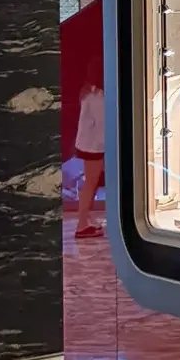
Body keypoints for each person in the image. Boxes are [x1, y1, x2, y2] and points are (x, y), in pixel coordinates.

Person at [74, 70, 106, 240]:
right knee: (90, 184)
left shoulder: (89, 92)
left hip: (89, 143)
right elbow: (102, 123)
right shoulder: (98, 97)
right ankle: (82, 225)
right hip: (94, 146)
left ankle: (85, 219)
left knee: (91, 184)